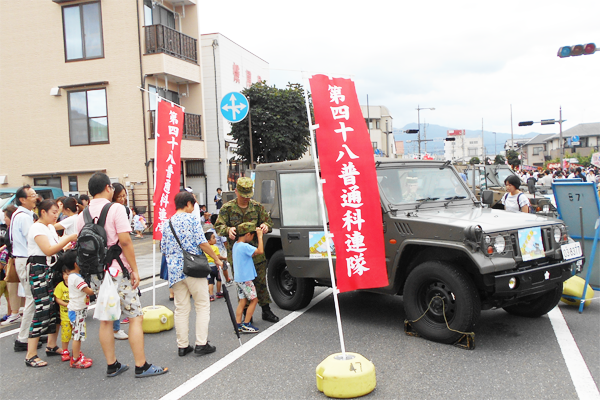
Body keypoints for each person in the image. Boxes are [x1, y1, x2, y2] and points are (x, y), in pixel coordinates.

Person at [76, 172, 167, 378]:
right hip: (118, 272)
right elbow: (125, 241)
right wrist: (134, 269)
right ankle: (141, 365)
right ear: (108, 188)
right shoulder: (116, 208)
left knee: (106, 320)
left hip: (97, 274)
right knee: (135, 317)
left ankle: (112, 365)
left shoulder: (82, 215)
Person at [161, 191, 223, 357]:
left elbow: (164, 249)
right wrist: (216, 258)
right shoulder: (192, 219)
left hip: (175, 271)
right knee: (202, 305)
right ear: (188, 204)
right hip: (193, 268)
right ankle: (201, 344)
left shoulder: (167, 223)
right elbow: (202, 242)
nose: (193, 208)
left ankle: (182, 346)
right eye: (193, 205)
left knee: (181, 308)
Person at [215, 177, 279, 323]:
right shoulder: (227, 208)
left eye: (248, 196)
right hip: (238, 256)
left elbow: (268, 222)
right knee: (243, 285)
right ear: (236, 192)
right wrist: (228, 230)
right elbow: (218, 226)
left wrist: (265, 227)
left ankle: (266, 310)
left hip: (255, 253)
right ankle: (246, 316)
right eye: (243, 196)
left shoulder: (256, 207)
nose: (245, 199)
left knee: (261, 282)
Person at [24, 199, 77, 367]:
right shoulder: (37, 227)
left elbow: (55, 248)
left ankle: (52, 345)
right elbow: (47, 250)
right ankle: (30, 354)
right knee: (42, 310)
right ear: (43, 212)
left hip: (51, 269)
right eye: (53, 212)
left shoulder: (48, 228)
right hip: (39, 271)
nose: (56, 216)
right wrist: (67, 238)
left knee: (54, 309)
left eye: (57, 212)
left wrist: (65, 245)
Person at [12, 185, 40, 351]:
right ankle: (23, 338)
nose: (35, 197)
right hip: (25, 259)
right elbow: (34, 238)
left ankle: (32, 333)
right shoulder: (24, 217)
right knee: (31, 299)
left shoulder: (19, 214)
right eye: (32, 195)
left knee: (33, 298)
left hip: (22, 259)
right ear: (22, 199)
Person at [64, 250, 94, 369]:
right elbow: (88, 291)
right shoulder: (76, 279)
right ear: (76, 263)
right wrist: (98, 289)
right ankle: (75, 359)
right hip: (77, 311)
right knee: (77, 335)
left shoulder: (73, 277)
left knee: (78, 333)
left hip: (76, 309)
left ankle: (77, 354)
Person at [233, 222, 263, 334]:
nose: (253, 237)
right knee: (254, 300)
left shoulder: (236, 245)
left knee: (242, 301)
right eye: (253, 235)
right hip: (246, 279)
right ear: (247, 234)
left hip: (238, 279)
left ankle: (238, 324)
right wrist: (260, 236)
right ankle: (246, 324)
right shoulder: (245, 246)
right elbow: (260, 251)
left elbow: (250, 254)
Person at [110, 183, 131, 338]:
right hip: (117, 261)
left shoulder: (123, 210)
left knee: (113, 298)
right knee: (116, 298)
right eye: (120, 196)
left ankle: (115, 327)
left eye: (125, 195)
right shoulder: (117, 211)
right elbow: (125, 241)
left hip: (109, 261)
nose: (123, 199)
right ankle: (116, 328)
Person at [1, 205, 20, 326]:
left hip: (13, 260)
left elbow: (10, 244)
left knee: (12, 287)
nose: (4, 220)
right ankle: (16, 312)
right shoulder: (10, 228)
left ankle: (15, 313)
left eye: (5, 217)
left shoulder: (13, 228)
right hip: (13, 259)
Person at [53, 268, 73, 362]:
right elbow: (57, 298)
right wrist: (66, 304)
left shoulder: (75, 284)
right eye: (64, 274)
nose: (66, 276)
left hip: (75, 314)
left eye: (68, 274)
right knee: (65, 333)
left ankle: (76, 349)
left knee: (76, 334)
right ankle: (65, 350)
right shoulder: (60, 286)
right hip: (65, 315)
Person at [204, 231, 226, 301]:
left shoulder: (204, 249)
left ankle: (211, 295)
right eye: (213, 238)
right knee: (218, 279)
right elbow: (218, 257)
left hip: (208, 267)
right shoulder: (215, 248)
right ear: (208, 241)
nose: (215, 239)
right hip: (215, 266)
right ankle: (218, 292)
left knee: (210, 281)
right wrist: (224, 258)